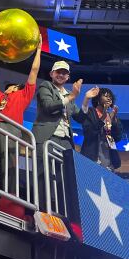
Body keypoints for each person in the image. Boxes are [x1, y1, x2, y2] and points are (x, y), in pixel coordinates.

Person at [0, 32, 42, 203]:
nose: (8, 88)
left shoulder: (24, 94)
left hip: (11, 127)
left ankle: (8, 202)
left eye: (12, 86)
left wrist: (38, 50)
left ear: (17, 88)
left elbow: (34, 71)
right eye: (7, 87)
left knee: (9, 163)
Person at [32, 60, 85, 210]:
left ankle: (65, 213)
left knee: (66, 178)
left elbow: (80, 118)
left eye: (65, 73)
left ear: (68, 77)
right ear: (51, 74)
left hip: (66, 141)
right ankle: (41, 210)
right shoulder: (45, 86)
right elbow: (48, 107)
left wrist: (86, 99)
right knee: (43, 173)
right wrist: (71, 96)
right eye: (58, 72)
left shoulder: (68, 94)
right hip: (47, 136)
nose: (61, 75)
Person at [79, 87, 123, 171]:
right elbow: (89, 133)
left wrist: (113, 120)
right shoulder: (91, 112)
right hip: (93, 155)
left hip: (109, 156)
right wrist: (102, 118)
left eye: (110, 96)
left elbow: (118, 137)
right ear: (98, 99)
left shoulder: (111, 116)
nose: (108, 98)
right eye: (105, 96)